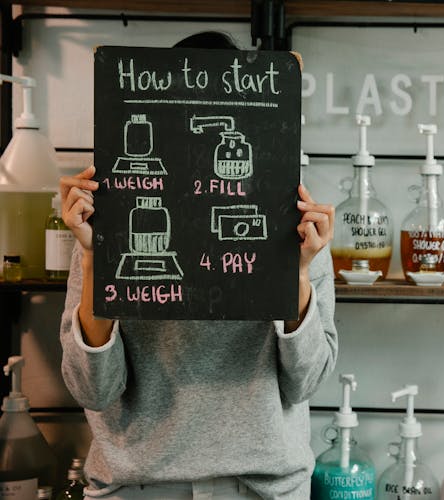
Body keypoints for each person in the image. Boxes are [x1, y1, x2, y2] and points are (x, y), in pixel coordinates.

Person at [58, 32, 338, 500]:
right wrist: (97, 259)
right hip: (139, 485)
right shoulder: (109, 219)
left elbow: (306, 381)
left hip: (261, 487)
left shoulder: (295, 225)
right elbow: (93, 390)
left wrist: (299, 273)